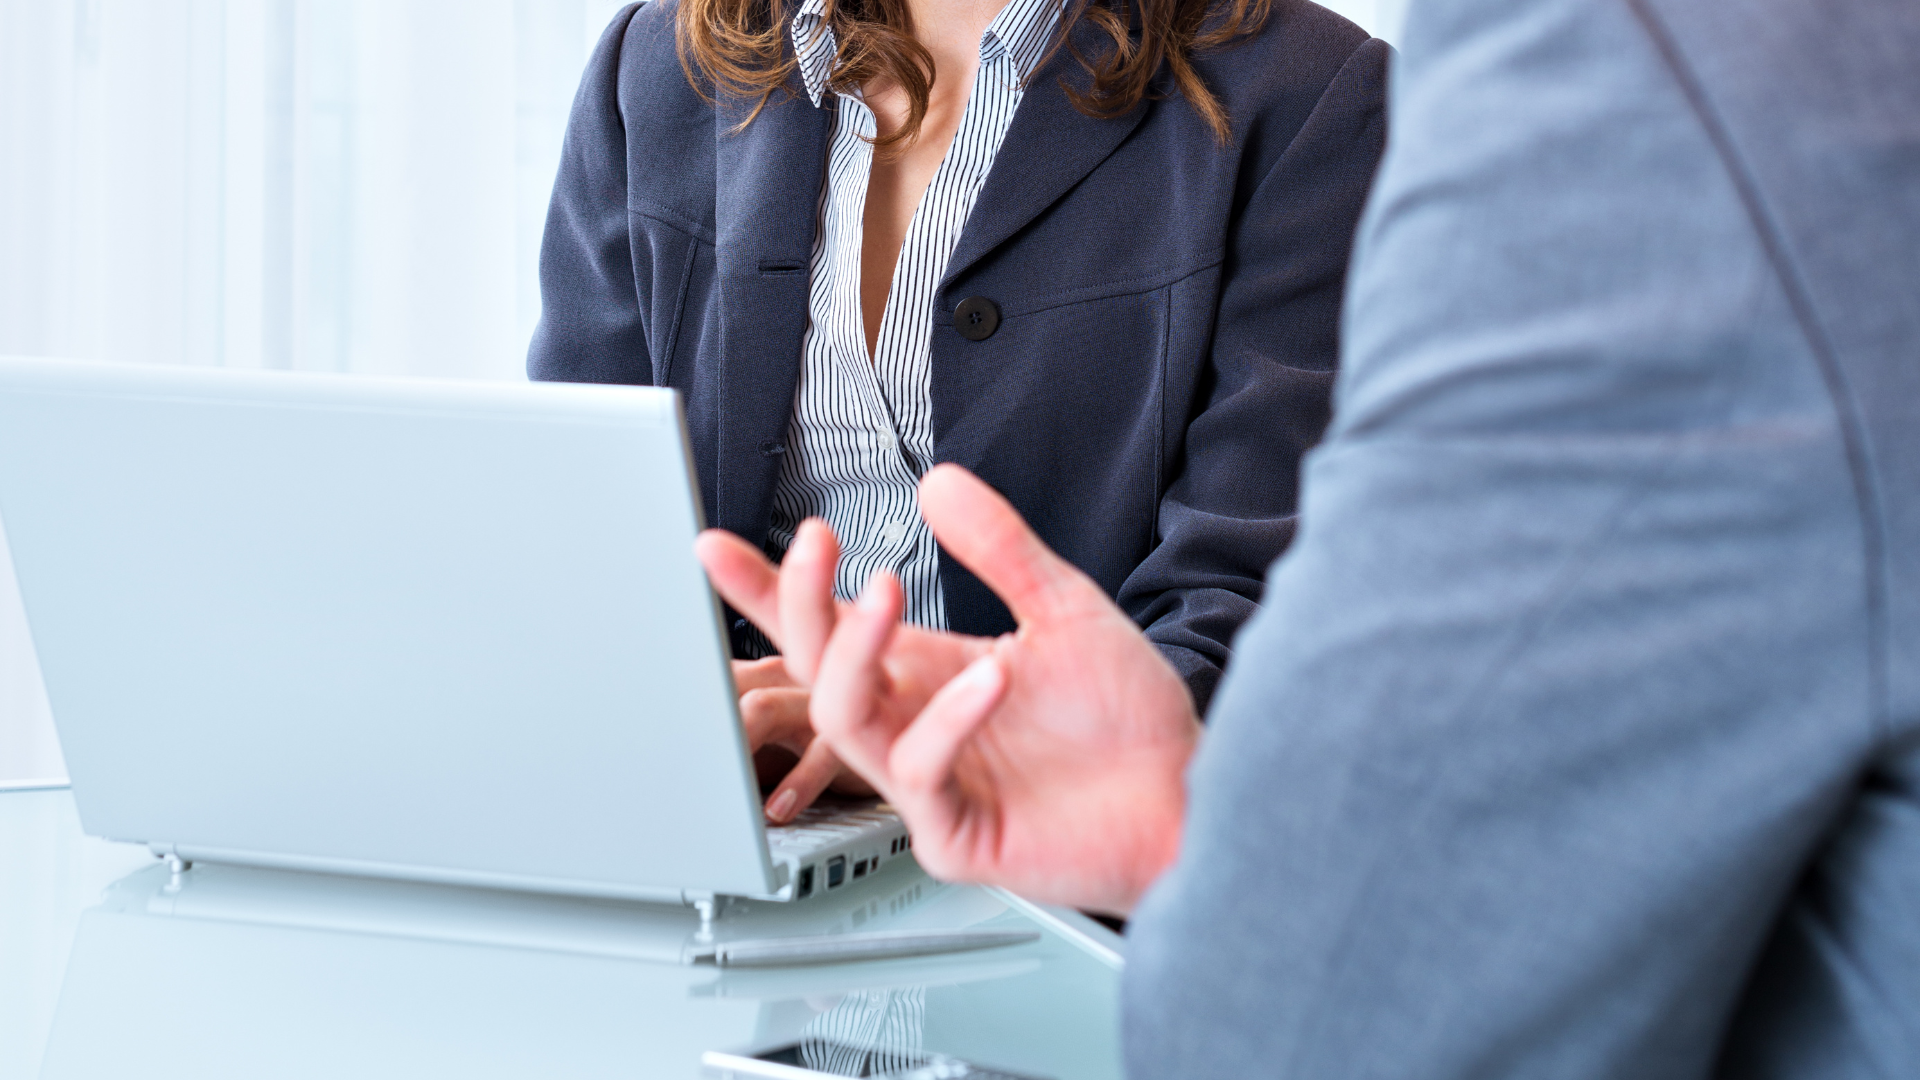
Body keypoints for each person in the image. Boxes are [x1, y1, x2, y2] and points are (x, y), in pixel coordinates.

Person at [696, 0, 1920, 1073]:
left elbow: (1329, 1011)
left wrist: (1235, 840)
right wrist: (1199, 822)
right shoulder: (673, 66)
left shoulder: (1634, 64)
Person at [527, 0, 1388, 821]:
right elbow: (581, 544)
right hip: (730, 814)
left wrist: (958, 737)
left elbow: (1247, 605)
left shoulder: (1309, 92)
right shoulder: (656, 65)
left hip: (1073, 839)